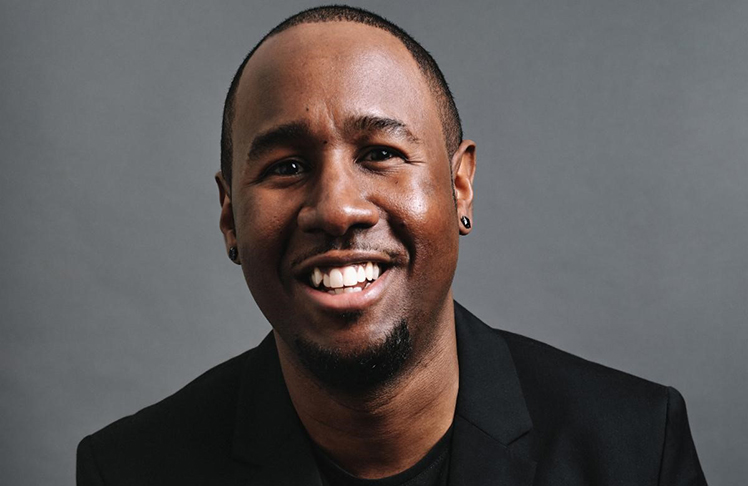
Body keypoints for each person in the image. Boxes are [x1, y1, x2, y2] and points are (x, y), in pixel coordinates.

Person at [77, 5, 707, 485]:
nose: (337, 209)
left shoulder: (634, 449)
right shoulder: (130, 470)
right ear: (229, 217)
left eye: (380, 154)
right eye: (287, 167)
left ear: (459, 187)